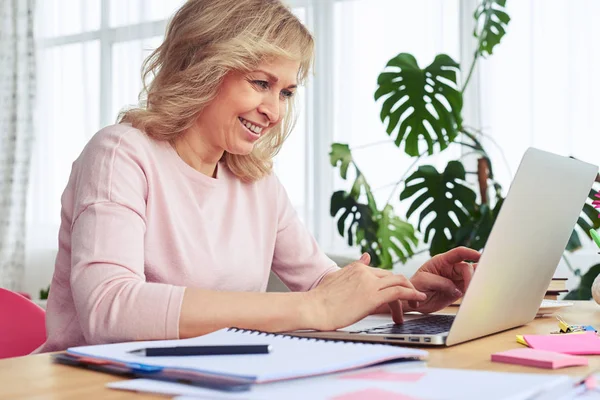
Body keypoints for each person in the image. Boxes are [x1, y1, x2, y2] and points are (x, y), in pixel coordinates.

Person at [36, 0, 480, 353]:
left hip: (212, 382)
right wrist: (309, 306)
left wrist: (405, 293)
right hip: (88, 383)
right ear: (202, 68)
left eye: (286, 91)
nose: (274, 111)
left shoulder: (256, 183)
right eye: (261, 83)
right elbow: (109, 308)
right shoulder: (120, 153)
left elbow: (325, 287)